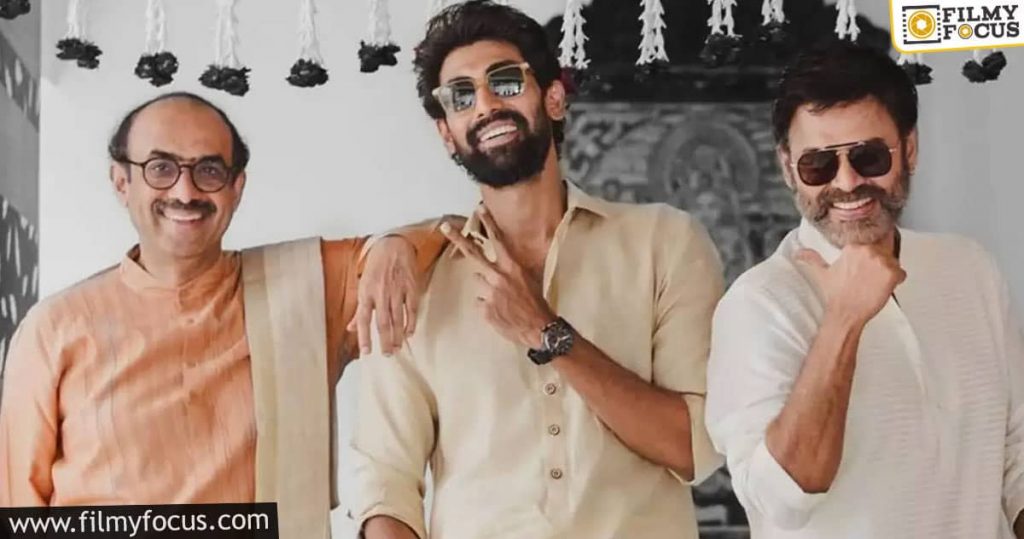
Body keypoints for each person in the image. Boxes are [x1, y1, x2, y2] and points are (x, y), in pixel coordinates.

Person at [349, 2, 724, 538]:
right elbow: (385, 480)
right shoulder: (412, 278)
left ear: (553, 98)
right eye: (461, 96)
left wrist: (547, 333)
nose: (485, 104)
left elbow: (692, 447)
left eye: (505, 81)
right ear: (446, 132)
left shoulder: (665, 243)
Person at [0, 92, 449, 538]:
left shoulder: (304, 287)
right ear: (122, 182)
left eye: (209, 170)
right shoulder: (54, 329)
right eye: (161, 168)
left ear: (237, 187)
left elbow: (455, 237)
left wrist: (395, 243)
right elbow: (16, 510)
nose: (185, 191)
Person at [705, 42, 1024, 538]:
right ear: (788, 168)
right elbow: (780, 501)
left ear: (909, 150)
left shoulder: (969, 269)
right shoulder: (758, 304)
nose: (848, 182)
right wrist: (845, 318)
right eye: (818, 165)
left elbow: (1015, 456)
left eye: (869, 157)